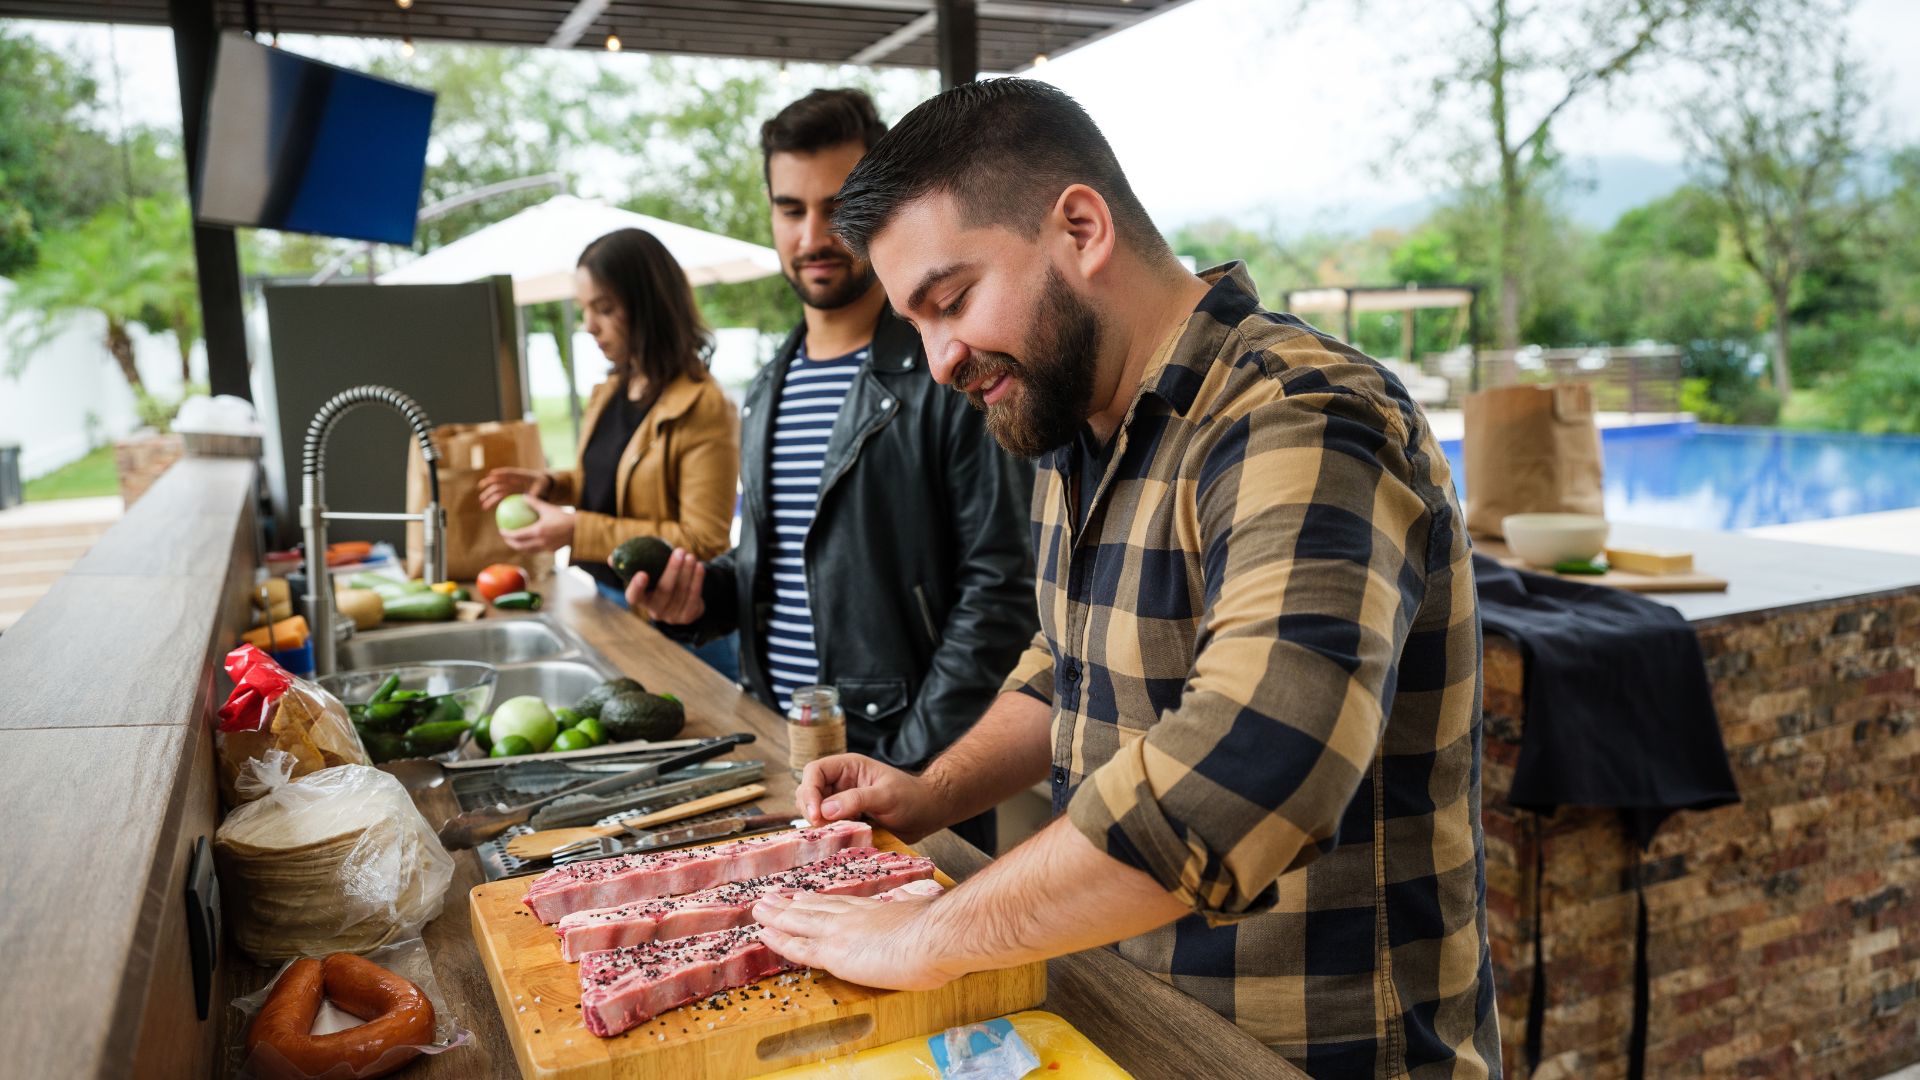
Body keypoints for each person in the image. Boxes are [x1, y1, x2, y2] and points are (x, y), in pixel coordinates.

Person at [739, 80, 1500, 1078]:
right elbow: (1069, 667)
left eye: (952, 300)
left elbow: (1251, 762)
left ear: (1082, 228)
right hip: (1135, 1024)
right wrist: (929, 793)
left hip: (1315, 1051)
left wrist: (921, 936)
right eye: (915, 321)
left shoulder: (1301, 415)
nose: (937, 360)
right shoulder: (1075, 420)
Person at [625, 89, 1036, 854]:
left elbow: (1003, 591)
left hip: (910, 765)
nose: (813, 235)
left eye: (837, 205)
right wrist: (705, 598)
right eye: (790, 209)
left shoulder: (948, 370)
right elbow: (783, 563)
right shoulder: (767, 381)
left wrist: (909, 765)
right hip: (780, 753)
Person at [481, 228, 740, 674]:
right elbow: (610, 481)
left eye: (605, 308)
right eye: (585, 309)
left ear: (651, 307)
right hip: (606, 599)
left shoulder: (705, 405)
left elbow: (704, 541)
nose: (588, 325)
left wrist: (576, 530)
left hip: (675, 622)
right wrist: (551, 485)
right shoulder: (613, 388)